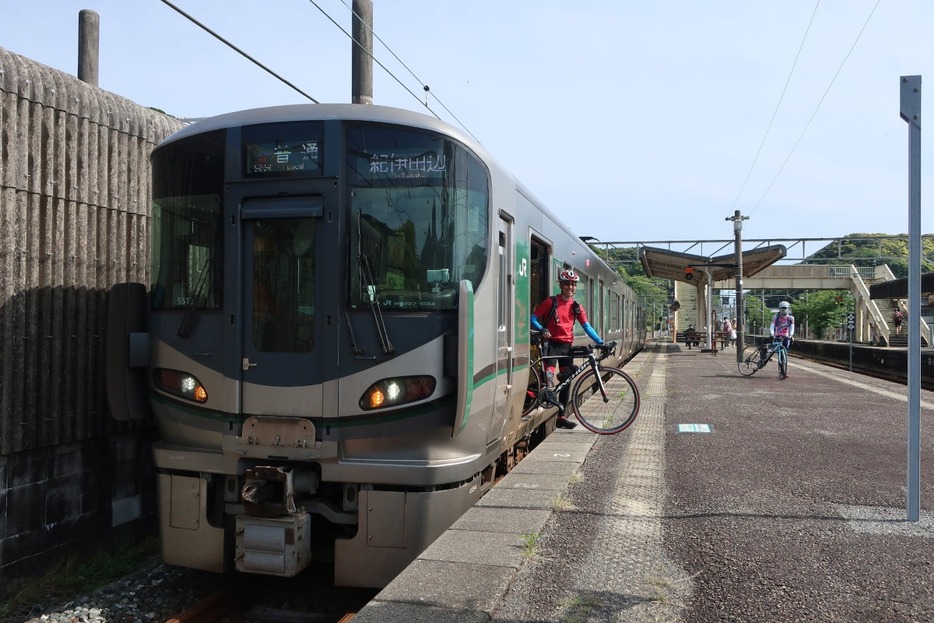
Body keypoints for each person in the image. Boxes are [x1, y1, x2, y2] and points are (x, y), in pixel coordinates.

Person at [530, 269, 605, 429]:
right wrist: (542, 329)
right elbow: (533, 317)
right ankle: (538, 398)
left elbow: (586, 326)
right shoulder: (551, 302)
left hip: (566, 347)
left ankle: (561, 417)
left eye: (573, 284)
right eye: (567, 284)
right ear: (561, 285)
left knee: (567, 381)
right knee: (548, 379)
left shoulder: (577, 307)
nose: (570, 287)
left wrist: (600, 341)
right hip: (551, 345)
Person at [769, 301, 795, 380]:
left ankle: (784, 371)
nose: (783, 310)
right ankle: (769, 353)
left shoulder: (791, 318)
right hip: (777, 336)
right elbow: (772, 326)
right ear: (779, 309)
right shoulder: (776, 317)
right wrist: (772, 334)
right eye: (782, 308)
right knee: (773, 350)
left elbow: (792, 327)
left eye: (785, 308)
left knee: (785, 353)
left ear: (788, 309)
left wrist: (791, 335)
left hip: (786, 337)